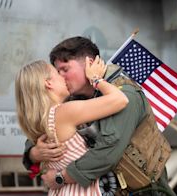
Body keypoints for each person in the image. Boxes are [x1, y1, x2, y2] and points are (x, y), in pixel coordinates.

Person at [23, 36, 176, 195]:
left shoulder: (126, 94)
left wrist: (61, 177)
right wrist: (35, 153)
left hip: (144, 191)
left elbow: (108, 150)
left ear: (89, 64)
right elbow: (39, 129)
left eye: (65, 69)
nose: (61, 77)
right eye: (57, 71)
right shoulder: (73, 100)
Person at [15, 56, 129, 195]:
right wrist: (95, 79)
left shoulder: (40, 120)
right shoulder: (64, 113)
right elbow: (120, 99)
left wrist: (33, 154)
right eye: (57, 73)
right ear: (48, 83)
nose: (63, 77)